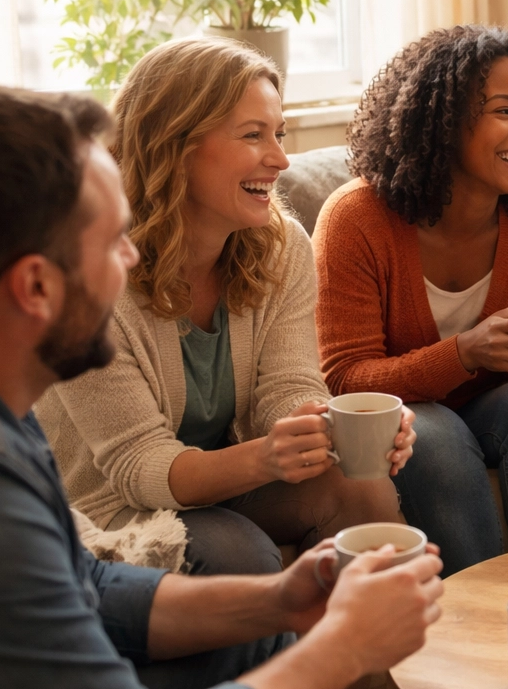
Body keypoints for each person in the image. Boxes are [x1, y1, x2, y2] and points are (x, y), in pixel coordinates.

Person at [0, 85, 442, 689]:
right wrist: (341, 645)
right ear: (34, 287)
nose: (128, 259)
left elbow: (84, 587)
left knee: (241, 652)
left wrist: (278, 601)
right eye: (110, 243)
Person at [38, 37, 415, 580]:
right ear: (175, 145)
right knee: (238, 552)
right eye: (253, 136)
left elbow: (286, 388)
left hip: (231, 475)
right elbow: (138, 467)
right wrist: (265, 459)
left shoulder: (281, 246)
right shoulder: (94, 275)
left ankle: (383, 662)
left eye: (278, 134)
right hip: (112, 507)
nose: (281, 159)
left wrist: (328, 429)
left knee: (363, 483)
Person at [315, 25, 508, 574]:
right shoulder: (357, 218)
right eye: (504, 110)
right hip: (405, 419)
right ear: (441, 121)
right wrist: (467, 352)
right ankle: (481, 629)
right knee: (432, 432)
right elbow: (346, 380)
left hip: (502, 411)